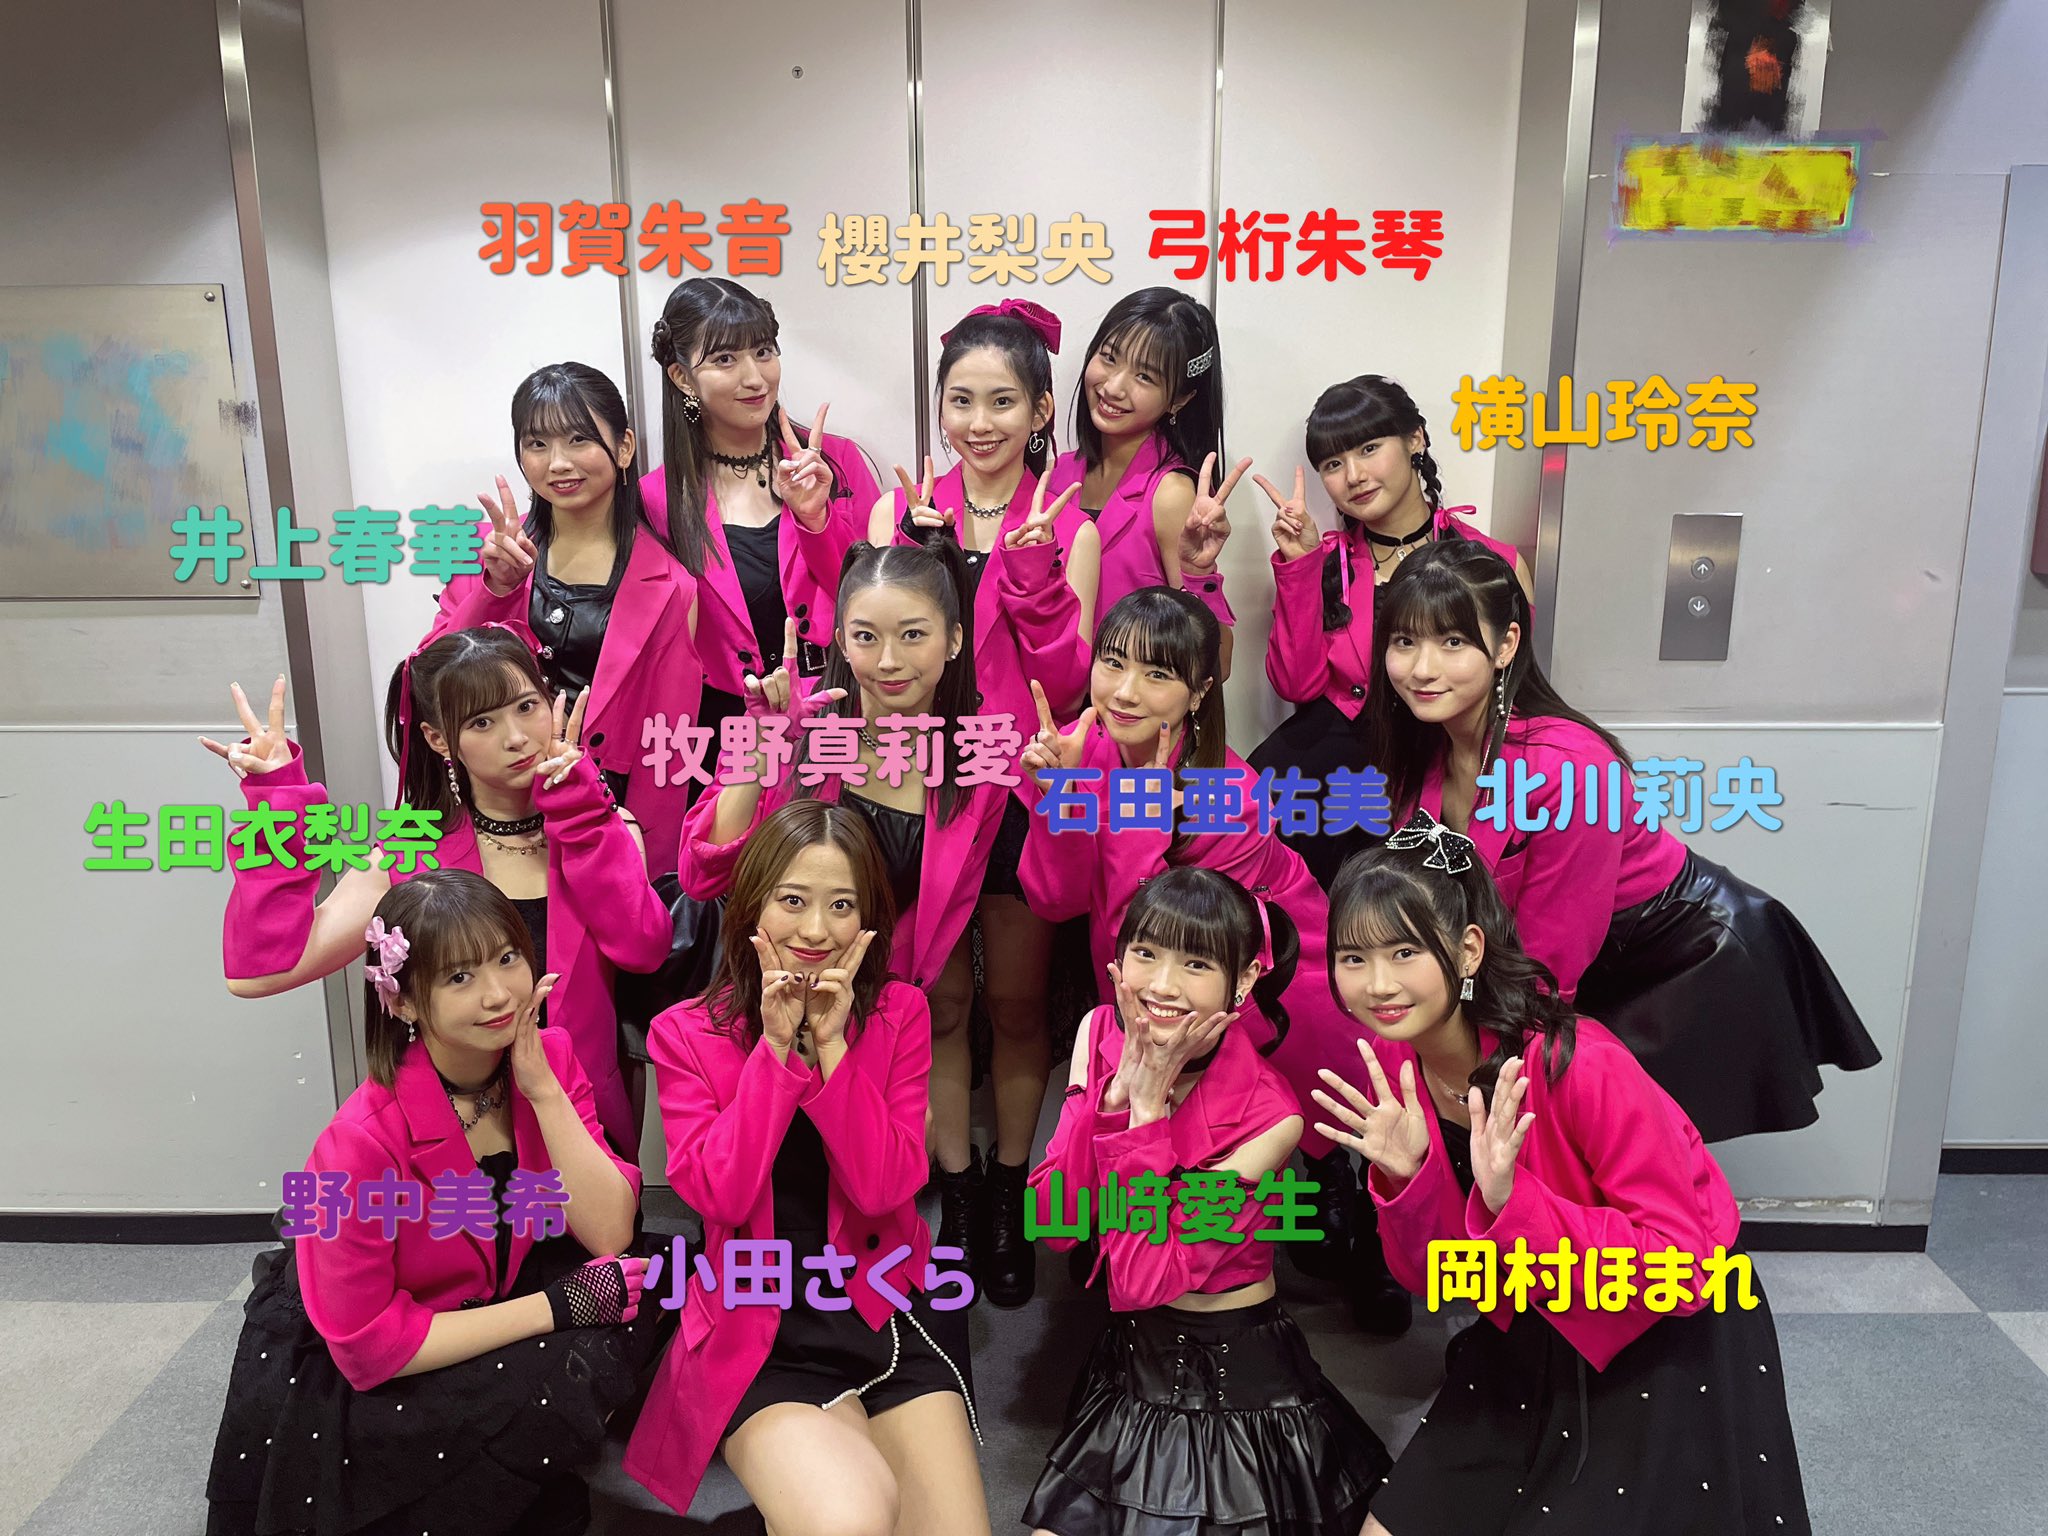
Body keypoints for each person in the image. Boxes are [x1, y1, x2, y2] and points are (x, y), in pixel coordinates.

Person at [1313, 820, 1811, 1534]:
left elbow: (1685, 1265)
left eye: (1405, 952)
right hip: (1528, 1327)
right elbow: (1442, 1280)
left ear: (1468, 949)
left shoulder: (1578, 1063)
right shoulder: (1398, 1068)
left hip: (1660, 1337)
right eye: (1353, 958)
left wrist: (1518, 1203)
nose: (1378, 984)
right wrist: (1408, 1179)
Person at [1359, 539, 1880, 1142]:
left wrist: (1471, 1062)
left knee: (1625, 1155)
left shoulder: (1572, 769)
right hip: (1568, 963)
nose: (1422, 668)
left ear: (1505, 645)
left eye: (1453, 642)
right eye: (1405, 641)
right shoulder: (1422, 751)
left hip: (1679, 960)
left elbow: (1553, 955)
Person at [206, 870, 664, 1536]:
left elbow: (611, 1232)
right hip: (402, 1331)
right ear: (403, 1002)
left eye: (507, 958)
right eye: (459, 977)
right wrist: (553, 1308)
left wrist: (544, 1092)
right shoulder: (358, 1143)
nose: (498, 994)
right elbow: (369, 1348)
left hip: (496, 1280)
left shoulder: (546, 1059)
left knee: (644, 1293)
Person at [1017, 586, 1412, 1333]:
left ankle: (1350, 1211)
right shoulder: (1079, 747)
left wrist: (1132, 805)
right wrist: (1059, 795)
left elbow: (1171, 938)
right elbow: (1055, 897)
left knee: (1304, 1112)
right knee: (1146, 1091)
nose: (1125, 691)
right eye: (1112, 663)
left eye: (1158, 674)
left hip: (1271, 973)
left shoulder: (1229, 792)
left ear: (1199, 691)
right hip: (1153, 975)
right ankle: (1129, 1220)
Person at [625, 802, 991, 1535]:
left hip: (883, 1306)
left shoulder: (900, 1014)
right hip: (760, 1323)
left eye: (842, 906)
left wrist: (831, 1048)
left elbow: (886, 1188)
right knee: (849, 1520)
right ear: (751, 906)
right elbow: (720, 1195)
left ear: (868, 920)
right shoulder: (686, 1032)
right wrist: (773, 1051)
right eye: (792, 900)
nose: (817, 931)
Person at [1020, 866, 1390, 1536]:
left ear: (1243, 981)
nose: (1162, 985)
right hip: (1134, 1359)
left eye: (1195, 963)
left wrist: (1144, 1114)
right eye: (1146, 953)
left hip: (1238, 1381)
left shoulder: (1274, 1118)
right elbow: (1055, 1225)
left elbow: (1145, 1277)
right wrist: (1108, 1101)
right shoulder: (1099, 1031)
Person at [675, 541, 1010, 1275]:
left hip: (879, 1000)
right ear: (840, 641)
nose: (888, 661)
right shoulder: (801, 726)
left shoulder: (979, 767)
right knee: (767, 1191)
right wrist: (761, 745)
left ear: (954, 641)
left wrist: (890, 1016)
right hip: (773, 992)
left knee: (870, 1197)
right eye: (865, 637)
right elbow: (705, 875)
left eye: (913, 635)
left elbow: (945, 912)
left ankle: (944, 1208)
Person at [209, 627, 671, 1157]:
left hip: (581, 1121)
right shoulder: (410, 856)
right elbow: (259, 974)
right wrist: (277, 803)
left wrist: (583, 816)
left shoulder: (605, 828)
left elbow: (643, 949)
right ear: (437, 739)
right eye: (481, 722)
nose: (517, 737)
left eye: (527, 707)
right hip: (452, 1138)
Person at [866, 297, 1098, 1307]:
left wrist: (1036, 573)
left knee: (1014, 1003)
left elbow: (1071, 677)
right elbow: (871, 647)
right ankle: (954, 1192)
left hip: (1018, 788)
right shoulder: (900, 512)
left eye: (1002, 401)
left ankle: (1008, 1187)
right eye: (960, 400)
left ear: (1040, 410)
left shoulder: (1071, 523)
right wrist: (919, 560)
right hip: (911, 782)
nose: (979, 422)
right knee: (937, 1000)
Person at [1249, 374, 1533, 891]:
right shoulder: (1324, 560)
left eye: (1369, 448)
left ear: (1415, 439)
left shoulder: (1492, 563)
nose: (1354, 476)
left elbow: (1517, 694)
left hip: (1438, 775)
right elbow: (1295, 685)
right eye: (1333, 464)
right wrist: (1301, 567)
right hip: (1329, 788)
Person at [423, 361, 703, 875]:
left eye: (578, 439)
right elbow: (430, 679)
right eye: (537, 444)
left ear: (623, 448)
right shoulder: (490, 554)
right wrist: (495, 591)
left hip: (597, 816)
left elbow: (666, 749)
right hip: (488, 807)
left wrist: (647, 876)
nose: (558, 463)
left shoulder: (671, 587)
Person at [641, 276, 883, 749]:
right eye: (725, 359)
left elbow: (878, 600)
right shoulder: (657, 500)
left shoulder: (835, 462)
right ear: (682, 377)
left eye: (764, 351)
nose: (755, 378)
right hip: (728, 738)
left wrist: (817, 521)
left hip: (843, 715)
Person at [1042, 288, 1244, 663]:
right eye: (1109, 357)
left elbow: (1218, 662)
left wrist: (1198, 572)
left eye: (1145, 376)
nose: (1113, 387)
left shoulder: (1170, 493)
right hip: (1055, 697)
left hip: (1131, 698)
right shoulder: (1056, 476)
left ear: (1179, 399)